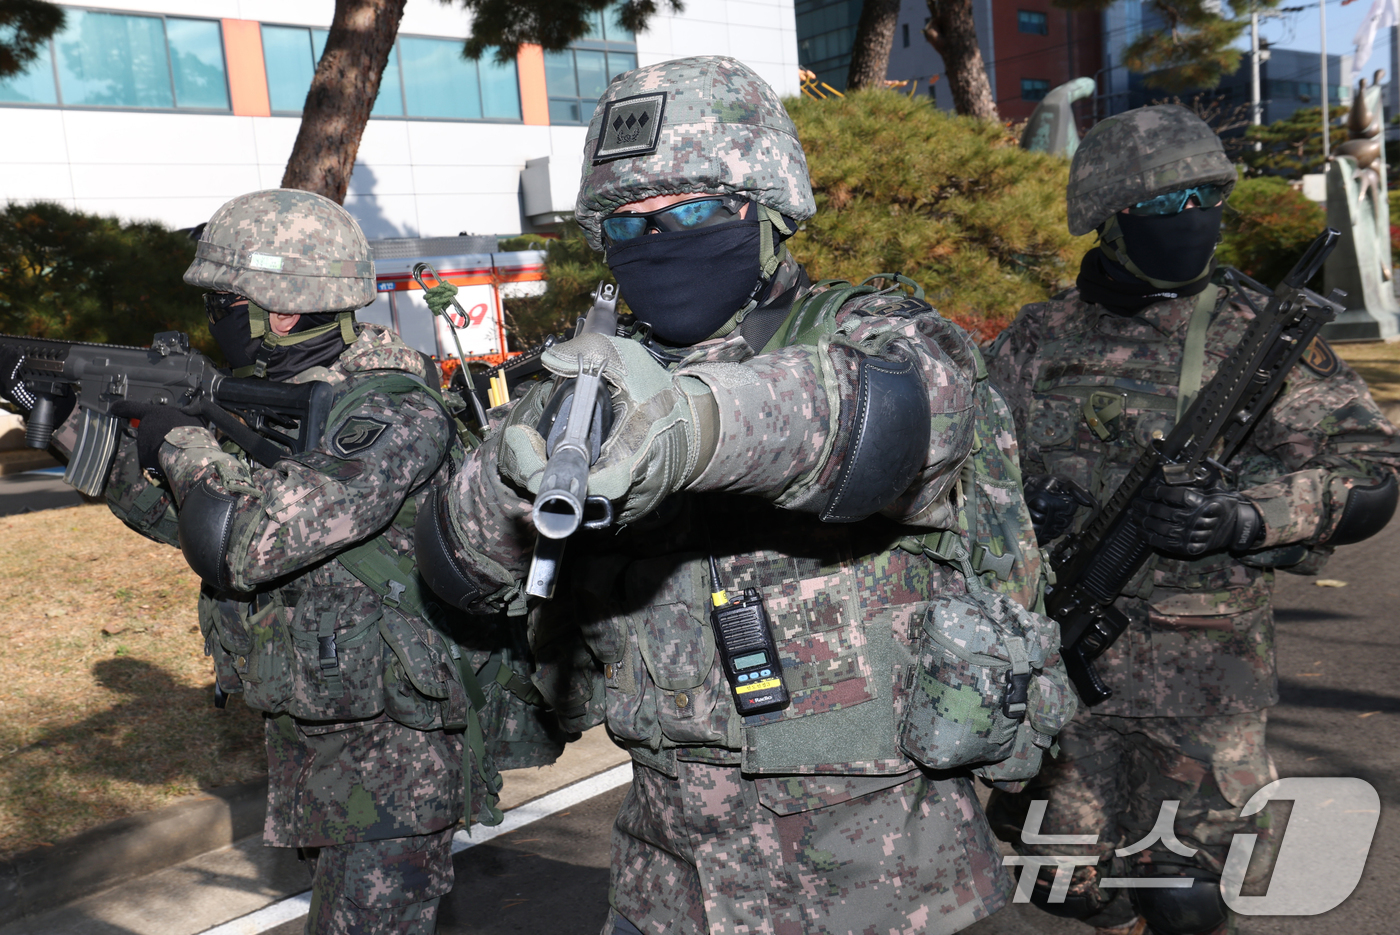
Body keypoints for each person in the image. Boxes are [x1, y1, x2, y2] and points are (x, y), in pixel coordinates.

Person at [412, 56, 1074, 935]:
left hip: (890, 885)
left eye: (691, 212)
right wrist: (512, 470)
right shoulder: (583, 384)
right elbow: (457, 564)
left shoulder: (880, 336)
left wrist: (692, 424)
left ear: (766, 210)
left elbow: (880, 417)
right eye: (627, 225)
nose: (661, 241)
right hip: (669, 884)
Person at [88, 189, 556, 935]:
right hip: (320, 746)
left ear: (281, 310)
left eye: (225, 299)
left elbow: (249, 537)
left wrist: (180, 440)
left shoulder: (391, 413)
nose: (217, 318)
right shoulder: (288, 402)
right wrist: (94, 446)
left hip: (395, 760)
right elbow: (202, 533)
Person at [984, 104, 1400, 935]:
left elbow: (1374, 475)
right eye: (1165, 205)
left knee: (1192, 896)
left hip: (1204, 683)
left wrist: (1245, 517)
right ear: (1107, 217)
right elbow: (970, 472)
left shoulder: (1258, 332)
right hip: (1063, 673)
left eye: (1205, 198)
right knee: (1057, 877)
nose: (1193, 221)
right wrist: (1017, 508)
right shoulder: (1038, 337)